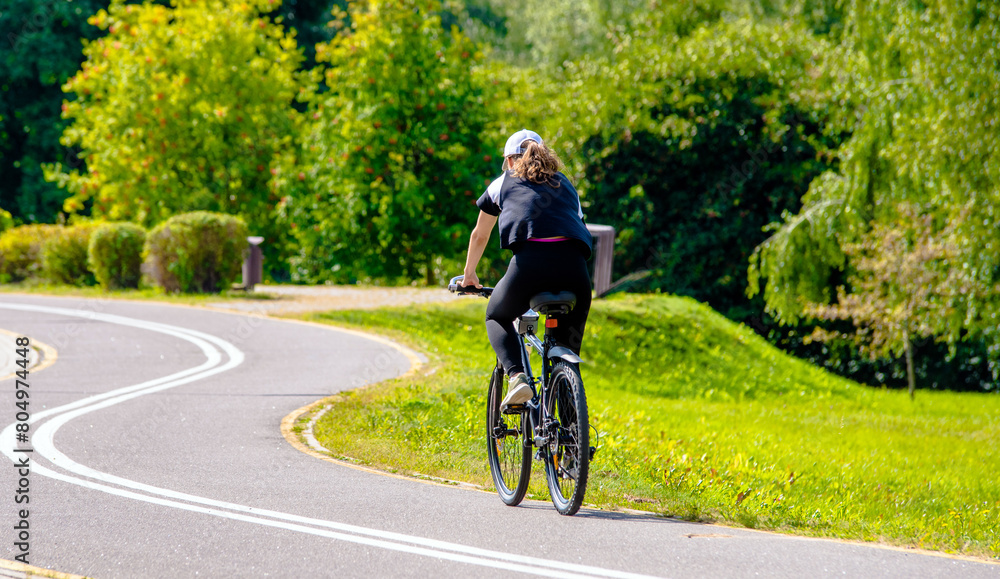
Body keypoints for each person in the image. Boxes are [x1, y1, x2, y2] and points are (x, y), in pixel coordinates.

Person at [461, 129, 593, 409]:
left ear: (509, 160)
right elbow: (577, 225)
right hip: (576, 270)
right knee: (567, 352)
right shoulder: (566, 184)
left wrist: (469, 275)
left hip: (531, 265)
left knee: (496, 315)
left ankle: (517, 376)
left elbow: (480, 235)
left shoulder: (503, 182)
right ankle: (572, 446)